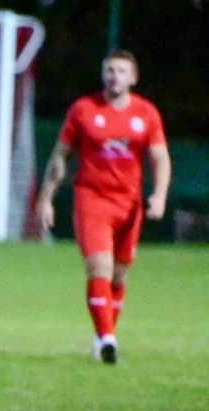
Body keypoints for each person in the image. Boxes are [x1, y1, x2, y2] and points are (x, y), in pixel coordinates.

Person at [36, 49, 171, 364]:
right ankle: (108, 339)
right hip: (92, 199)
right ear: (102, 74)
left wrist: (160, 194)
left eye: (121, 71)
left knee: (119, 276)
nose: (114, 77)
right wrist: (46, 198)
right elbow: (60, 156)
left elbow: (160, 157)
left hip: (129, 204)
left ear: (133, 78)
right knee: (99, 267)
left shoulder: (146, 113)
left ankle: (102, 337)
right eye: (110, 70)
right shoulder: (84, 109)